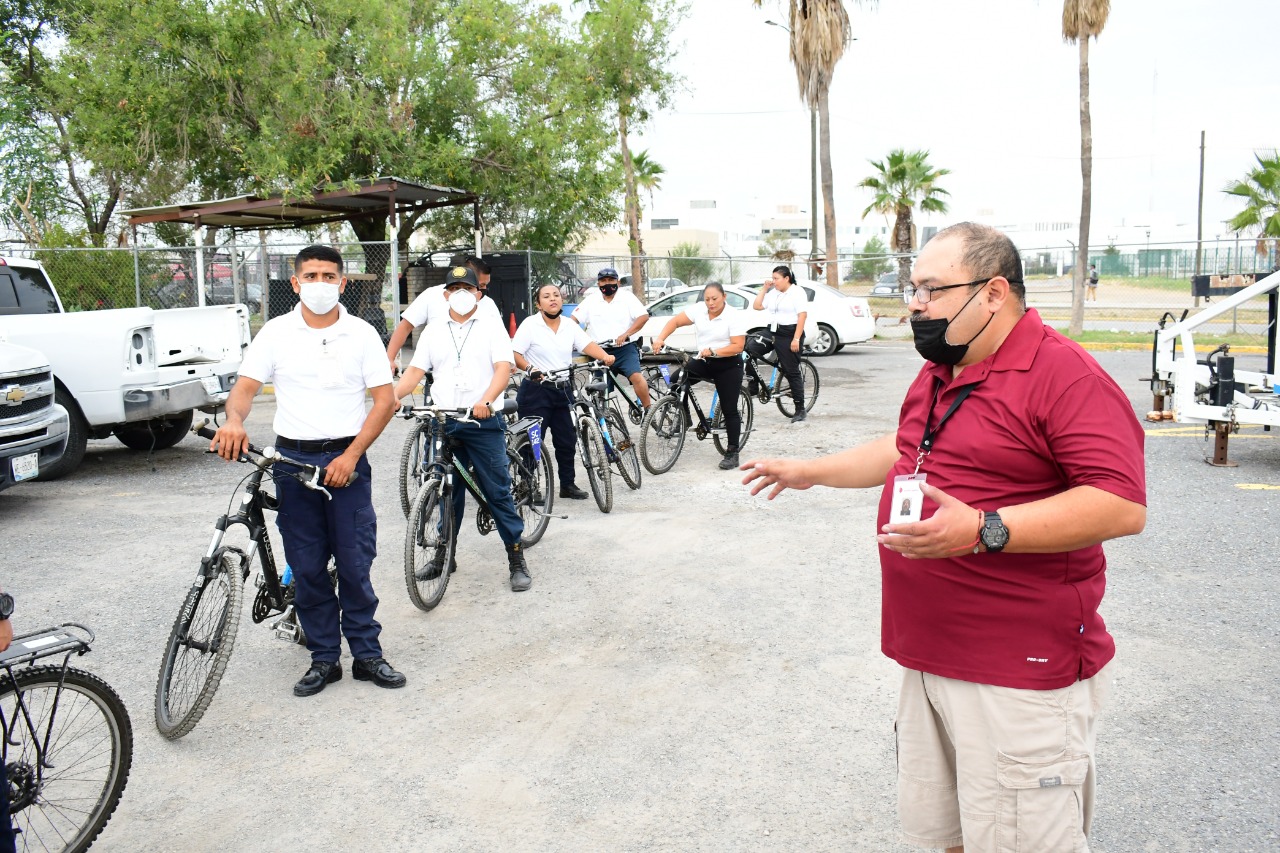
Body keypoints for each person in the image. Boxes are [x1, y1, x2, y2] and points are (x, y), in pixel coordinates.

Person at [742, 222, 1146, 853]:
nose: (914, 303)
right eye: (913, 287)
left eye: (931, 288)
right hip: (929, 660)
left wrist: (986, 529)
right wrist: (808, 473)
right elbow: (904, 452)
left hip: (1016, 673)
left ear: (991, 294)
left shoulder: (1065, 377)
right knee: (947, 837)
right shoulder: (942, 370)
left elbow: (1119, 505)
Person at [213, 244, 404, 697]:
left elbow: (385, 402)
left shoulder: (361, 335)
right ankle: (323, 659)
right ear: (296, 283)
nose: (320, 284)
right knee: (308, 565)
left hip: (346, 461)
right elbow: (245, 387)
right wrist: (234, 420)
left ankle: (367, 655)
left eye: (329, 276)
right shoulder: (276, 333)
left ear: (342, 283)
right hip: (291, 462)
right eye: (311, 276)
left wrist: (352, 455)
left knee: (356, 563)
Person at [393, 265, 532, 592]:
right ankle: (444, 557)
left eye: (467, 288)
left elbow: (501, 369)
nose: (460, 294)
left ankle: (516, 557)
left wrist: (486, 400)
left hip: (482, 420)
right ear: (445, 294)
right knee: (444, 490)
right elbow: (414, 372)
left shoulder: (490, 326)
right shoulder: (433, 331)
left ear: (478, 294)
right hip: (444, 420)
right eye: (454, 288)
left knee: (497, 491)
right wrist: (391, 398)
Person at [512, 283, 616, 500]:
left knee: (566, 440)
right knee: (532, 441)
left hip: (563, 390)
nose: (553, 299)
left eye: (556, 295)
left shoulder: (569, 325)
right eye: (547, 296)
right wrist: (530, 369)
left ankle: (567, 485)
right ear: (538, 304)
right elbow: (515, 354)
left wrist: (604, 356)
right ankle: (527, 486)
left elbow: (587, 345)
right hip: (536, 391)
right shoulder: (530, 325)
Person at [651, 282, 747, 470]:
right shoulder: (699, 310)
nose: (710, 303)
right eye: (707, 299)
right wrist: (661, 338)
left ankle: (733, 452)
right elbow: (675, 322)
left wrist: (713, 350)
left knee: (729, 409)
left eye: (714, 299)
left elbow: (738, 346)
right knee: (676, 380)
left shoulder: (733, 316)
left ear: (724, 297)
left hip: (728, 364)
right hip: (704, 361)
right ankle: (684, 416)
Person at [386, 254, 500, 374]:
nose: (484, 289)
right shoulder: (432, 296)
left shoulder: (487, 303)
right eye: (481, 285)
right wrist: (389, 358)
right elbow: (405, 326)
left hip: (479, 375)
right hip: (438, 373)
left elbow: (500, 337)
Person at [570, 267, 652, 414]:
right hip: (600, 352)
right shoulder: (591, 300)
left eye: (610, 280)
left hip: (624, 348)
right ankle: (604, 418)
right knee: (599, 388)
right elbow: (573, 320)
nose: (607, 284)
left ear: (618, 282)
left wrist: (627, 333)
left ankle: (648, 410)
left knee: (636, 377)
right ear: (598, 283)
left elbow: (643, 316)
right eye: (603, 281)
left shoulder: (627, 298)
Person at [752, 264, 809, 422]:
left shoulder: (797, 292)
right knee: (749, 349)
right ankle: (753, 387)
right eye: (773, 278)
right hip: (772, 331)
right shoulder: (773, 293)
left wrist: (796, 338)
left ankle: (800, 409)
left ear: (786, 278)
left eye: (776, 279)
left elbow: (802, 316)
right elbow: (757, 306)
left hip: (789, 333)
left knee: (791, 371)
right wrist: (764, 289)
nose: (774, 281)